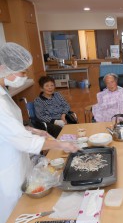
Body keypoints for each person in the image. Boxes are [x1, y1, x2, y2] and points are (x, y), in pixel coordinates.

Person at [0, 42, 79, 223]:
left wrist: (32, 130)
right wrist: (61, 143)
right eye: (22, 72)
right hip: (7, 169)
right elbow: (22, 140)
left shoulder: (4, 93)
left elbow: (11, 129)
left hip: (16, 158)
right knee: (15, 213)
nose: (25, 76)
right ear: (5, 69)